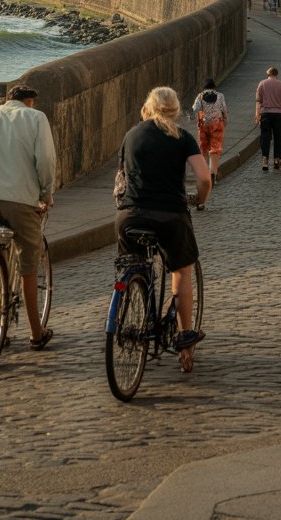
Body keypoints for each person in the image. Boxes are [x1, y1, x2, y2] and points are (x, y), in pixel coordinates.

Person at [115, 87, 212, 371]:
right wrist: (200, 199)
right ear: (176, 110)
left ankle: (132, 300)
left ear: (148, 107)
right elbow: (204, 177)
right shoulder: (182, 138)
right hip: (170, 214)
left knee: (129, 265)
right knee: (181, 270)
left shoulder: (131, 135)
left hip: (130, 216)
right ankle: (183, 336)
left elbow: (120, 181)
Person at [0, 84, 56, 349]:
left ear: (8, 101)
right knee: (29, 266)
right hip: (21, 200)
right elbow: (46, 160)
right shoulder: (36, 118)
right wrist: (46, 195)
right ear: (30, 102)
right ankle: (36, 334)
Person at [191, 77, 228, 196]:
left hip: (203, 125)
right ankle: (213, 174)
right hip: (217, 124)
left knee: (203, 150)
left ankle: (204, 175)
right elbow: (224, 110)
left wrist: (195, 118)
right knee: (215, 150)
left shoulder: (200, 96)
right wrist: (225, 121)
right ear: (214, 86)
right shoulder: (220, 96)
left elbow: (194, 110)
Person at [255, 65, 281, 172]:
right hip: (278, 114)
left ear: (268, 74)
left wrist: (257, 114)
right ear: (276, 74)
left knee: (265, 137)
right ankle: (277, 160)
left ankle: (265, 160)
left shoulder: (262, 83)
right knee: (279, 137)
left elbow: (258, 101)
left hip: (265, 113)